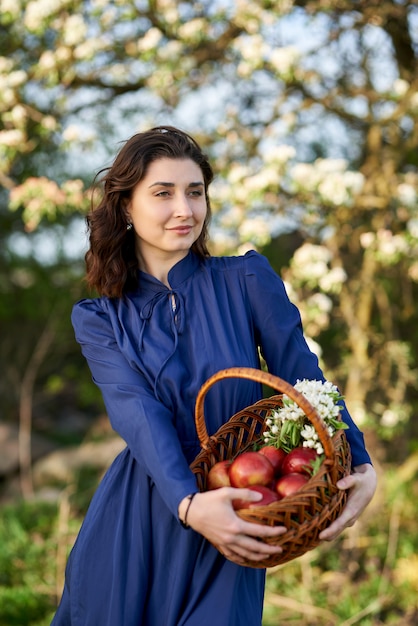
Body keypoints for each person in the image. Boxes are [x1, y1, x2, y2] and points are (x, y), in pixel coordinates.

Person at [52, 126, 377, 626]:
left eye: (195, 192)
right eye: (163, 193)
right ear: (124, 207)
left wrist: (358, 461)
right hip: (141, 515)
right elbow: (136, 411)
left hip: (240, 509)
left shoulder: (246, 279)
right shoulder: (99, 317)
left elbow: (302, 374)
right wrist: (187, 504)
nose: (185, 209)